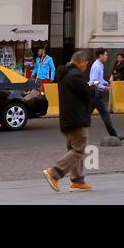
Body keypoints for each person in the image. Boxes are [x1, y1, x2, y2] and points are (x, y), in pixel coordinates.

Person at [43, 50, 95, 192]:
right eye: (86, 62)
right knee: (78, 150)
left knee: (74, 150)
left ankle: (77, 180)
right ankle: (54, 172)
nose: (86, 65)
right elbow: (88, 94)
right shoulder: (76, 76)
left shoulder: (64, 74)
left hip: (67, 118)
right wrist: (92, 88)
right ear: (79, 62)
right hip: (76, 119)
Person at [87, 48, 121, 139]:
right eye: (105, 55)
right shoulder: (97, 66)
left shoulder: (100, 65)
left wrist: (107, 83)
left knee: (86, 115)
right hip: (95, 93)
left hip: (95, 93)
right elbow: (94, 82)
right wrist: (104, 87)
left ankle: (76, 131)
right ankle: (115, 136)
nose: (106, 57)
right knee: (105, 115)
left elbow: (100, 80)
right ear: (100, 55)